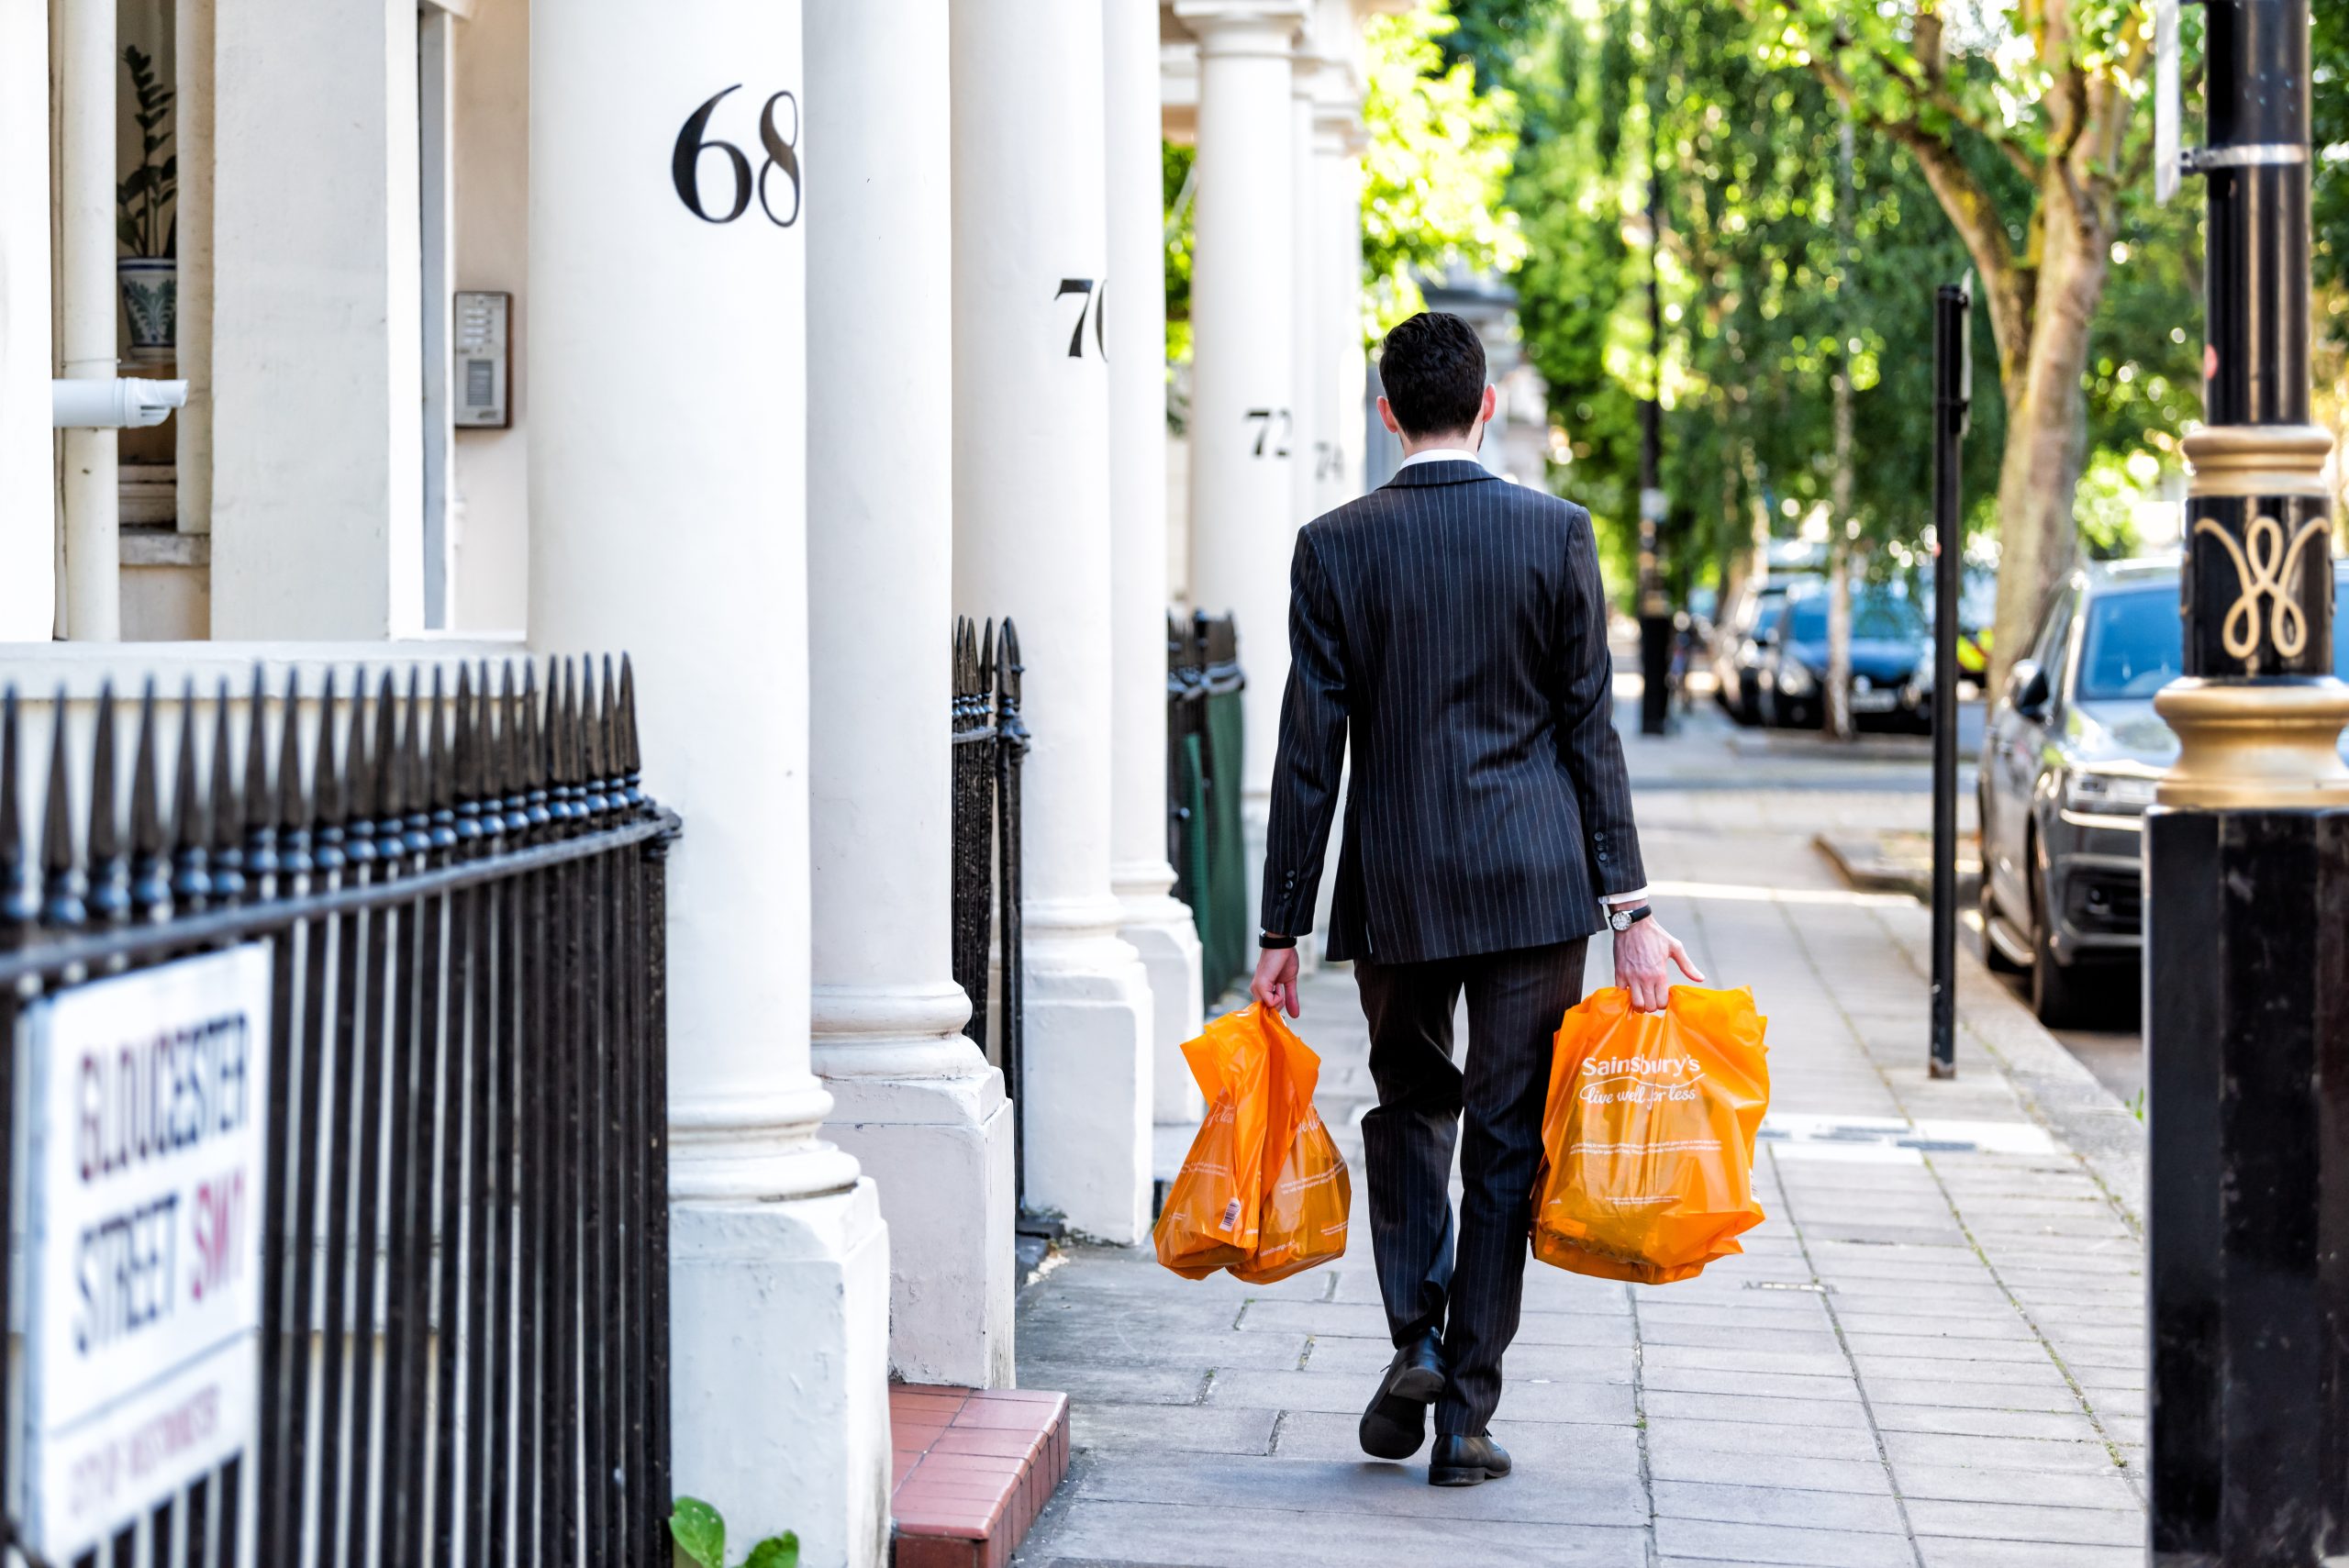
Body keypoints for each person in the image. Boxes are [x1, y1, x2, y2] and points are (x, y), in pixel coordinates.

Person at [1250, 310, 1701, 1487]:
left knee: (1409, 1106)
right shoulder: (1555, 534)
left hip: (1396, 882)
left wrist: (1278, 925)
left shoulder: (1334, 545)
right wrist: (1630, 910)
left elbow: (1311, 752)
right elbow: (1587, 730)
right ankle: (1465, 1410)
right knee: (1506, 1138)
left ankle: (1412, 1336)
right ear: (1486, 403)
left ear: (1386, 411)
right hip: (1532, 883)